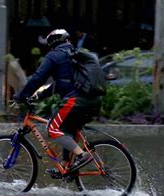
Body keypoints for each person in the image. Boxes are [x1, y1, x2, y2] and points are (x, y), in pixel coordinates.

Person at [13, 29, 102, 174]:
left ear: (52, 43)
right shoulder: (76, 55)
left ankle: (82, 155)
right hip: (93, 101)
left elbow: (38, 78)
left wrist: (22, 95)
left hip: (75, 101)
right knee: (67, 129)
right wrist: (37, 96)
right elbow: (59, 84)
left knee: (53, 129)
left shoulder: (54, 56)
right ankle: (65, 165)